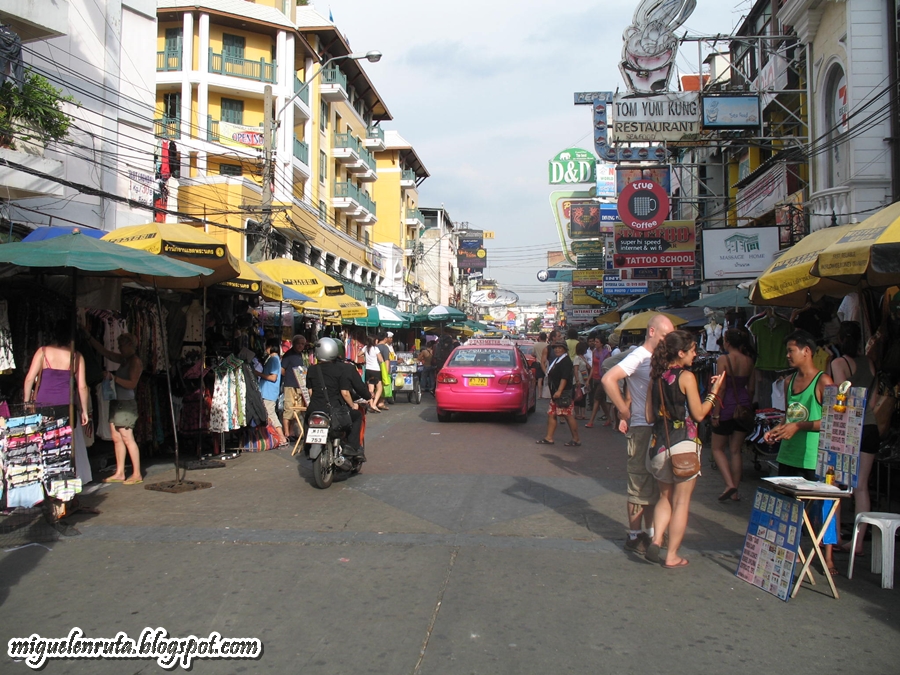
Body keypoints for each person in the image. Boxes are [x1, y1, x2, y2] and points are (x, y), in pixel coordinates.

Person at [644, 330, 726, 567]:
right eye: (692, 350)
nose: (695, 354)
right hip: (684, 446)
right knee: (681, 502)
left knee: (664, 497)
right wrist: (714, 392)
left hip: (659, 445)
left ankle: (657, 539)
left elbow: (650, 416)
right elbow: (699, 415)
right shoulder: (687, 377)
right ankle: (671, 556)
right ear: (680, 353)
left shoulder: (656, 377)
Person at [602, 314, 675, 554]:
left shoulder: (657, 358)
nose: (667, 340)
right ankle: (635, 535)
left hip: (657, 428)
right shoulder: (639, 356)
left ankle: (652, 533)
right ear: (652, 332)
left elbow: (634, 387)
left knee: (655, 482)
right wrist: (624, 411)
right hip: (642, 428)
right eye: (665, 335)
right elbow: (609, 378)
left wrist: (628, 403)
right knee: (639, 482)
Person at [765, 330, 835, 574]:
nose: (787, 356)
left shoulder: (824, 382)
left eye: (791, 350)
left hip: (812, 457)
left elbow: (832, 422)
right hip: (788, 454)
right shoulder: (789, 382)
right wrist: (776, 430)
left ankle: (827, 557)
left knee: (819, 510)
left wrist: (800, 426)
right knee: (788, 508)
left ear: (807, 351)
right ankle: (790, 552)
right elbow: (789, 416)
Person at [829, 321, 880, 554]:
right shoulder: (869, 363)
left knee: (837, 485)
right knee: (861, 487)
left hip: (848, 428)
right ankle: (858, 543)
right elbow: (873, 400)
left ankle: (836, 537)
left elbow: (842, 398)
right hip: (870, 426)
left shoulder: (839, 363)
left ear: (839, 339)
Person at [24, 319, 93, 484]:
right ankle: (63, 485)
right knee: (64, 447)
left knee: (44, 444)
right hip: (65, 407)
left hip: (43, 406)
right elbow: (82, 387)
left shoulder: (43, 351)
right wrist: (84, 411)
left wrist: (27, 404)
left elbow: (29, 380)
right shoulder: (76, 356)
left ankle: (46, 482)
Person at [87, 332, 144, 484]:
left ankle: (137, 473)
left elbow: (132, 383)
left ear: (130, 345)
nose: (119, 349)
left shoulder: (135, 361)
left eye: (122, 346)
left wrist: (114, 378)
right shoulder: (124, 360)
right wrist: (89, 337)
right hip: (117, 401)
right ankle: (120, 472)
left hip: (126, 403)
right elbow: (106, 353)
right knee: (116, 438)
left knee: (127, 437)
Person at [711, 328, 756, 503]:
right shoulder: (749, 360)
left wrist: (715, 413)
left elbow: (721, 387)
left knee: (717, 449)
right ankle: (735, 491)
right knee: (736, 450)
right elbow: (751, 388)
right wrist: (746, 405)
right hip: (742, 405)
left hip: (725, 406)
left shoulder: (723, 359)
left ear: (727, 342)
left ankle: (729, 484)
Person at [306, 338, 365, 458]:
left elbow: (311, 392)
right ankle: (352, 447)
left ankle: (307, 447)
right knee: (357, 416)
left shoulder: (312, 369)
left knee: (308, 422)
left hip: (314, 409)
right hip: (334, 410)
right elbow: (345, 393)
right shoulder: (341, 368)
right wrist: (353, 405)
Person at [537, 340, 580, 446]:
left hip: (563, 393)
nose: (557, 349)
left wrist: (560, 391)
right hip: (556, 393)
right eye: (555, 347)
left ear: (565, 349)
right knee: (552, 414)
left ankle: (576, 439)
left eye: (560, 347)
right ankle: (549, 438)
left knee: (568, 416)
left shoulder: (566, 361)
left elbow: (564, 378)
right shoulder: (558, 360)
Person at [258, 337, 287, 446]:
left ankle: (281, 437)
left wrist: (258, 374)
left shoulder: (274, 359)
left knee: (271, 413)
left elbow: (273, 377)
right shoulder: (273, 359)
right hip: (267, 391)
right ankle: (277, 437)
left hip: (269, 392)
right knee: (269, 414)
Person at [280, 335, 308, 440]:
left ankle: (292, 432)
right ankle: (286, 433)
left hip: (300, 386)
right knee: (289, 408)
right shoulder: (289, 355)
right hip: (290, 385)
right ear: (294, 344)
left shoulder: (302, 356)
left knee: (298, 410)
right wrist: (289, 377)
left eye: (302, 344)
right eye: (298, 343)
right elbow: (282, 370)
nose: (300, 346)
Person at [586, 333, 611, 428]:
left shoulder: (607, 353)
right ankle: (609, 418)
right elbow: (593, 366)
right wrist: (589, 379)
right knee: (601, 400)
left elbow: (608, 367)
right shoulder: (594, 352)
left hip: (603, 378)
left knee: (596, 399)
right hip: (595, 378)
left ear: (601, 343)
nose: (595, 343)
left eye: (597, 342)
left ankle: (591, 421)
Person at [362, 335, 385, 413]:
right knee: (379, 388)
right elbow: (381, 360)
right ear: (373, 341)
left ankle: (371, 404)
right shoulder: (376, 349)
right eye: (376, 340)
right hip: (376, 370)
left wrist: (365, 358)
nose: (377, 341)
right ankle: (374, 404)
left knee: (370, 389)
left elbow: (359, 354)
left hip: (368, 370)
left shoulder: (365, 348)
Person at [572, 341, 590, 420]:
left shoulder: (583, 358)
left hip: (585, 378)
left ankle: (583, 414)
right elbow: (575, 369)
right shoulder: (576, 358)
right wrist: (577, 380)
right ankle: (577, 413)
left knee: (584, 396)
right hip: (579, 378)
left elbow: (589, 367)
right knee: (578, 396)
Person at [532, 333, 548, 398]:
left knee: (539, 379)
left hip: (539, 364)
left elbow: (533, 354)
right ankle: (546, 394)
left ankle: (539, 394)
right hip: (546, 364)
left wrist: (537, 356)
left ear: (540, 338)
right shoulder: (547, 345)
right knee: (546, 379)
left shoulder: (536, 345)